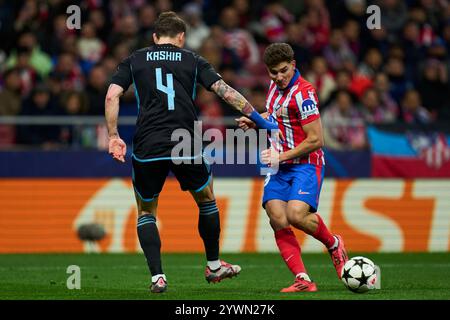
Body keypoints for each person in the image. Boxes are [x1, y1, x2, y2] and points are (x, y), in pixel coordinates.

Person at [104, 11, 277, 294]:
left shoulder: (135, 59)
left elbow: (112, 95)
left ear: (155, 37)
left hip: (148, 144)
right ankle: (213, 265)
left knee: (147, 210)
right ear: (181, 37)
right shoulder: (193, 60)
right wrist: (259, 119)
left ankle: (157, 277)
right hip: (185, 141)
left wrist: (113, 136)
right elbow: (225, 91)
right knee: (207, 199)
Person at [236, 43, 348, 292]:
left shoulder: (305, 93)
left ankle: (333, 244)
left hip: (305, 163)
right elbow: (278, 116)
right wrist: (257, 121)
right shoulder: (275, 87)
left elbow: (316, 139)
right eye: (273, 72)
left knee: (296, 215)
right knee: (276, 216)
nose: (279, 77)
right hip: (280, 164)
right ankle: (303, 280)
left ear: (293, 65)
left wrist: (281, 157)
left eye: (283, 71)